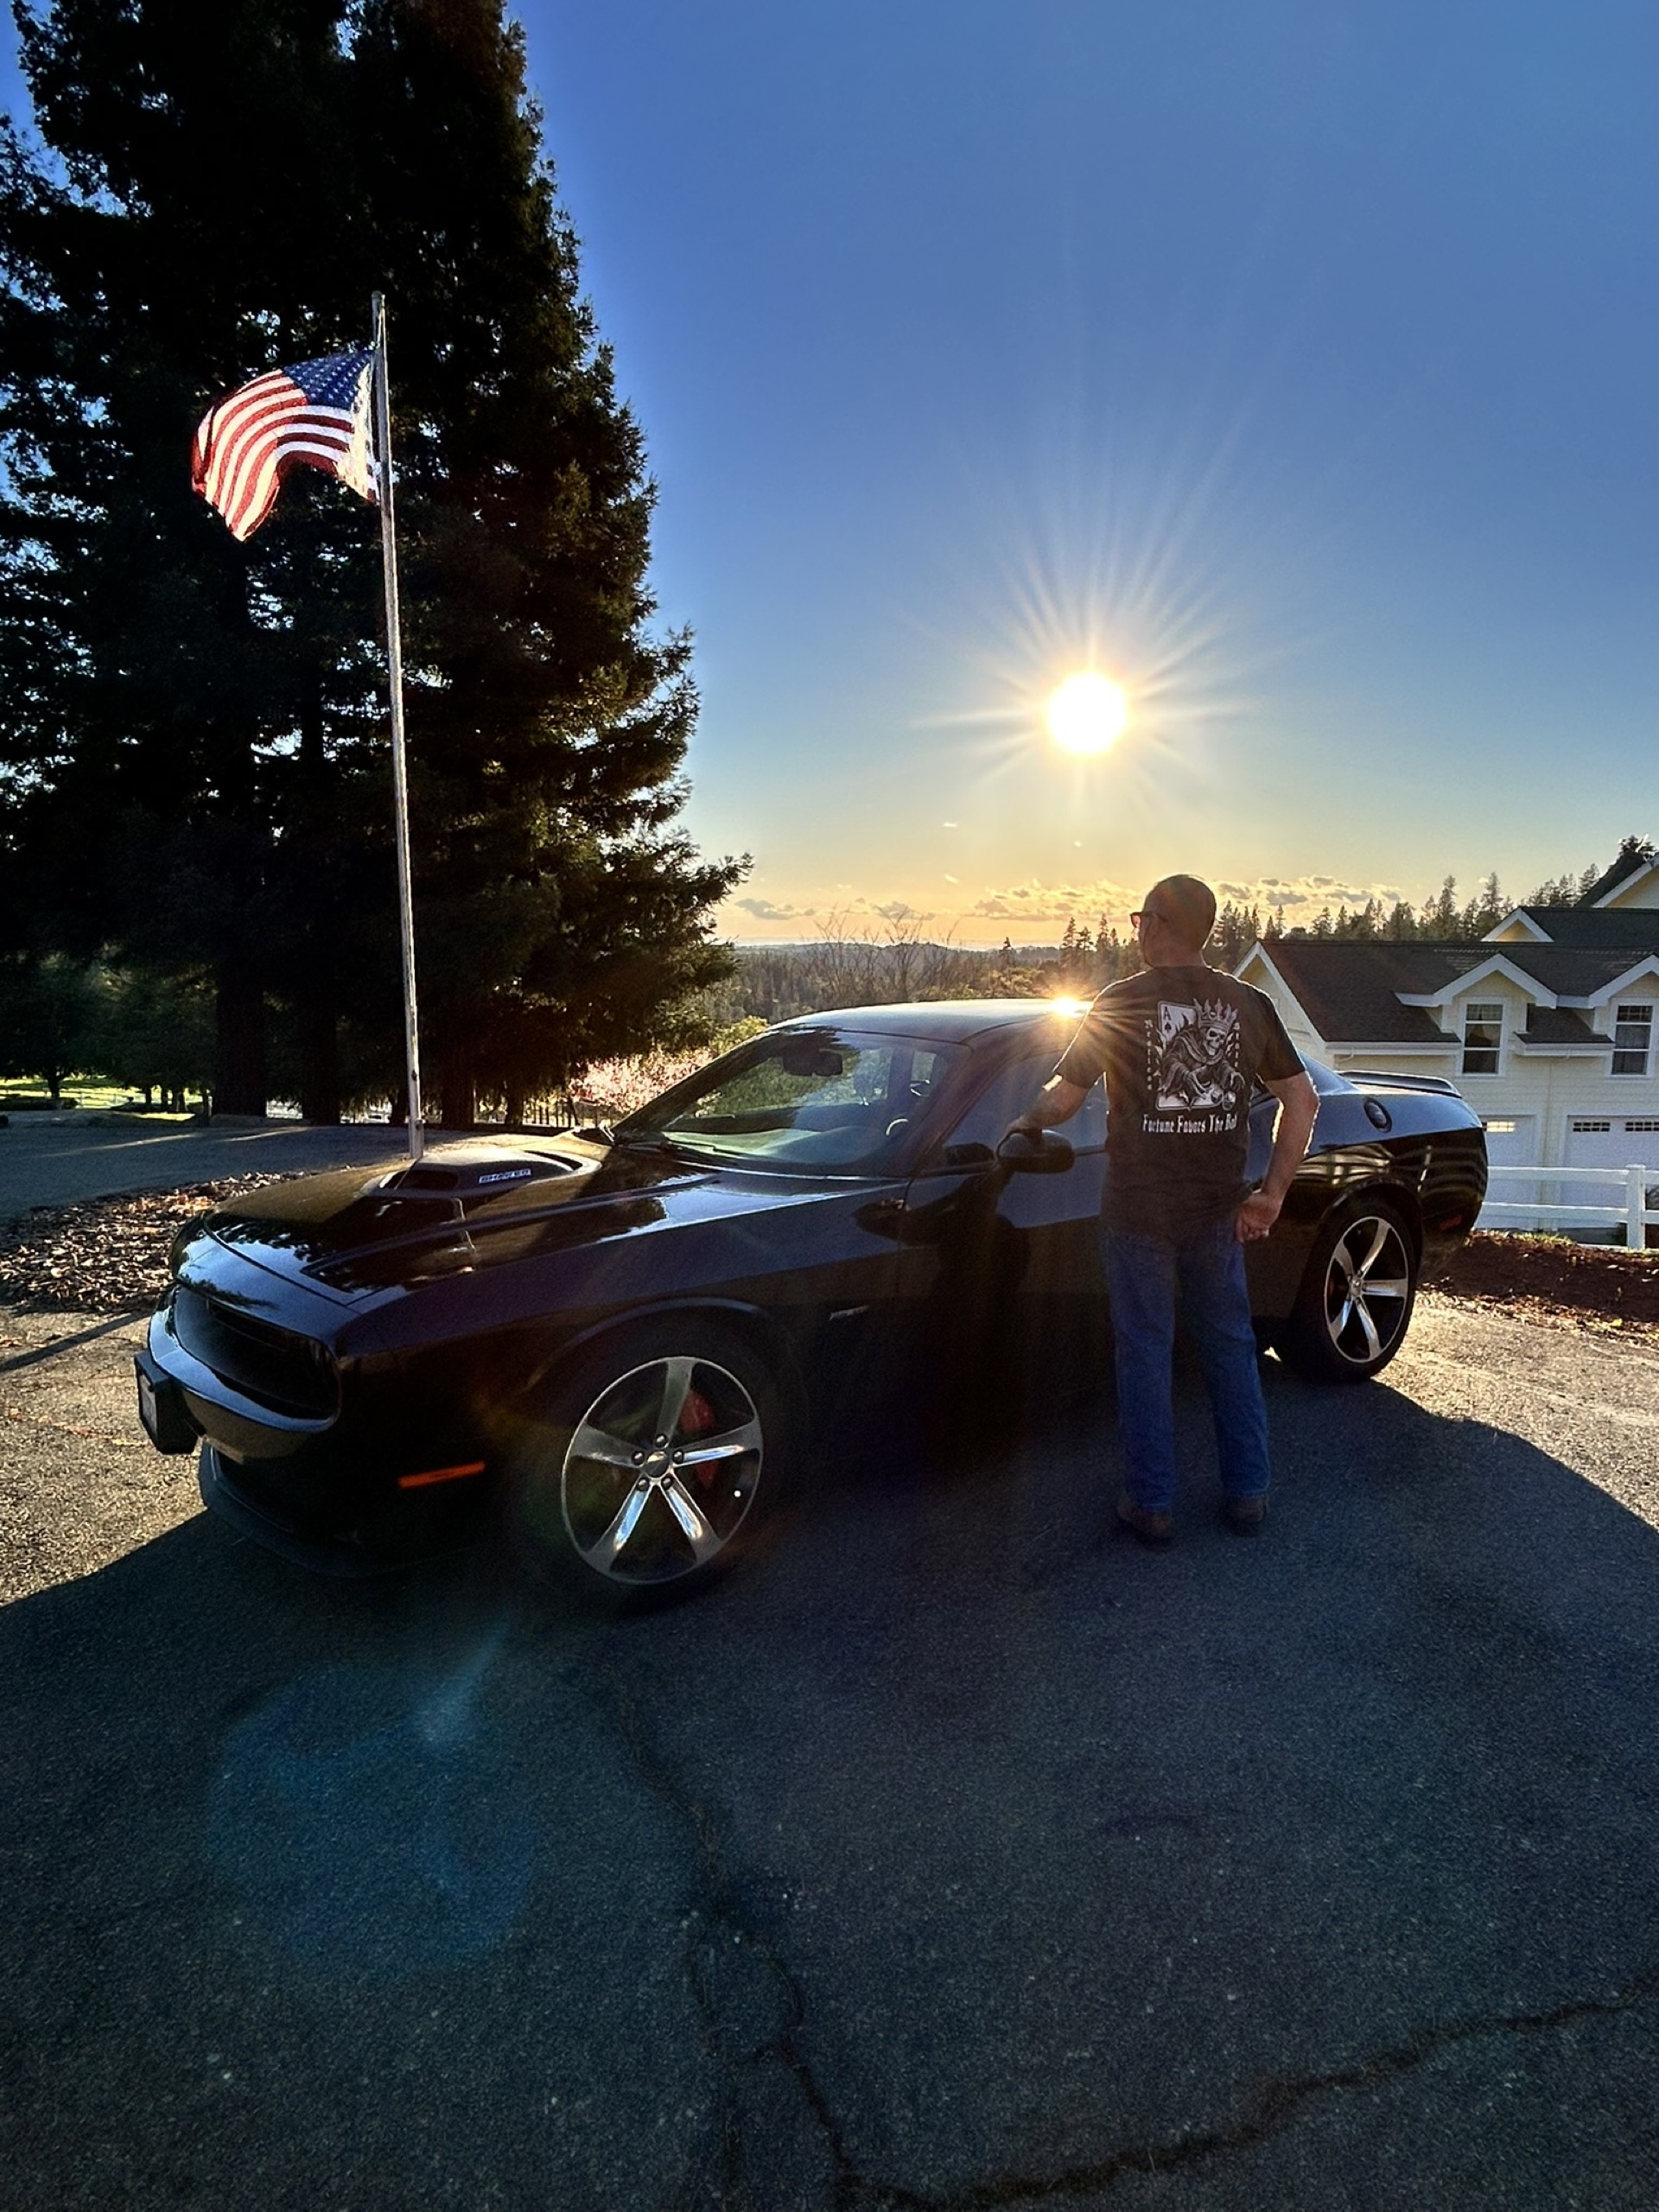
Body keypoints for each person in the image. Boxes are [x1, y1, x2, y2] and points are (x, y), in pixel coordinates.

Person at [1008, 874, 1318, 1543]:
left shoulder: (1122, 1001)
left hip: (1137, 1214)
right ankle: (1248, 1494)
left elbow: (1063, 1098)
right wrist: (1270, 1196)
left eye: (1138, 920)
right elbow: (1304, 1102)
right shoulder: (1249, 1003)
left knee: (1145, 1353)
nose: (1136, 932)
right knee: (1231, 1349)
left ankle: (1151, 1504)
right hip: (1217, 1211)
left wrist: (1020, 1124)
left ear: (1154, 923)